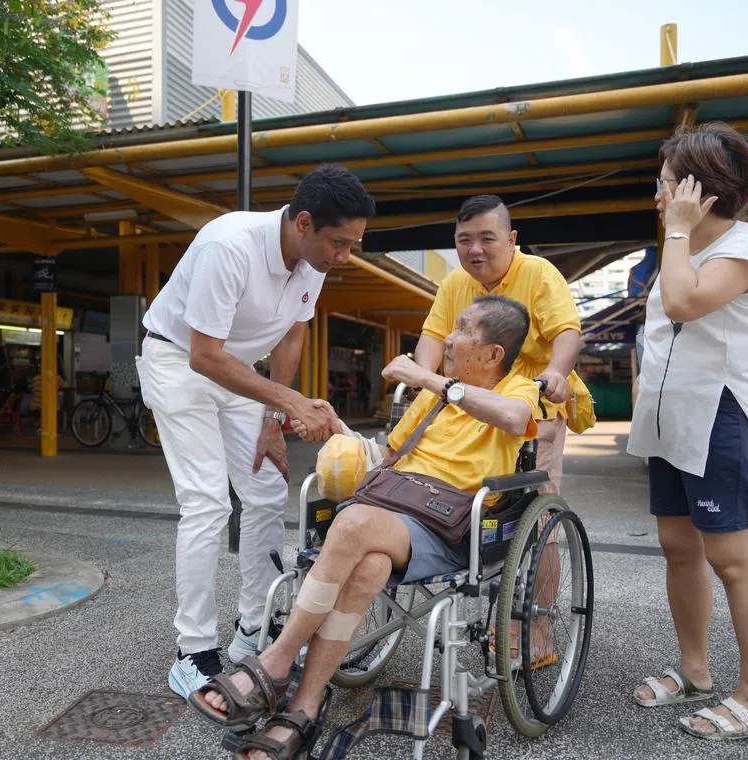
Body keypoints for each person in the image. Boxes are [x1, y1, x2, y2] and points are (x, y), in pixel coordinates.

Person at [190, 296, 545, 760]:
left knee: (354, 520)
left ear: (493, 353)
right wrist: (334, 426)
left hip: (452, 526)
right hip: (395, 513)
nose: (448, 338)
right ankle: (305, 705)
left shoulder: (517, 389)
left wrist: (430, 380)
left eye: (462, 329)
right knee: (369, 569)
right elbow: (386, 457)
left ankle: (275, 661)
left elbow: (515, 419)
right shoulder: (433, 399)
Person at [137, 164, 376, 700]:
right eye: (339, 243)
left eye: (352, 245)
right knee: (206, 501)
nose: (344, 256)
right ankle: (193, 652)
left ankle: (254, 629)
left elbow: (292, 334)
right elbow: (204, 355)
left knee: (266, 489)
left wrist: (273, 419)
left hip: (239, 370)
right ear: (304, 222)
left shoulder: (313, 260)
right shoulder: (229, 245)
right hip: (179, 362)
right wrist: (291, 402)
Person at [627, 123, 748, 741]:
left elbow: (682, 304)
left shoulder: (743, 250)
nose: (658, 194)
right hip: (673, 417)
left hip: (723, 414)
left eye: (667, 183)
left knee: (733, 559)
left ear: (699, 190)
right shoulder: (683, 248)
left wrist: (676, 230)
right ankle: (695, 670)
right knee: (678, 545)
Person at [413, 195, 583, 495]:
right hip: (469, 407)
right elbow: (433, 335)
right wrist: (423, 375)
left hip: (531, 404)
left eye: (487, 239)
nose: (474, 249)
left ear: (511, 239)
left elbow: (566, 331)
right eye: (464, 240)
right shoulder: (454, 282)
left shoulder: (538, 272)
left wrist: (556, 371)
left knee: (533, 498)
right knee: (458, 490)